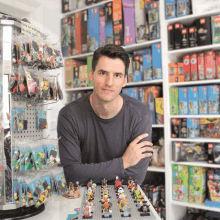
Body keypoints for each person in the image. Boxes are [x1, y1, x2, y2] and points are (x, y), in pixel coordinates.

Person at [57, 44, 153, 186]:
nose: (109, 82)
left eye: (117, 75)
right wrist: (123, 162)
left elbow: (135, 178)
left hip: (123, 197)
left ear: (125, 80)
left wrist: (86, 173)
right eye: (102, 73)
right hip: (82, 198)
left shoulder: (140, 115)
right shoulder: (69, 115)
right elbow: (71, 175)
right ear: (91, 75)